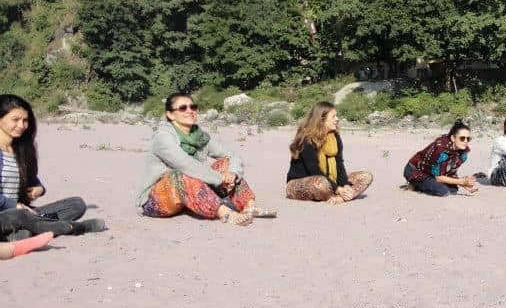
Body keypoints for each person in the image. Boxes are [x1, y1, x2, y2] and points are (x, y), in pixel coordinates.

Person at [138, 92, 275, 225]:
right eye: (183, 108)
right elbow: (185, 164)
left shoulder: (200, 136)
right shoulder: (163, 137)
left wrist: (232, 173)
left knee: (225, 163)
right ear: (170, 114)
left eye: (193, 107)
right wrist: (220, 179)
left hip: (188, 197)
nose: (190, 111)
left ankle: (249, 206)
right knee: (181, 174)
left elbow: (232, 155)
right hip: (157, 200)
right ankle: (225, 213)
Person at [0, 94, 105, 240]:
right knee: (20, 218)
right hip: (8, 216)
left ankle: (29, 230)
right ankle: (75, 227)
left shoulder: (22, 149)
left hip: (25, 213)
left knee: (76, 204)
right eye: (15, 119)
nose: (21, 125)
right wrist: (14, 206)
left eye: (25, 120)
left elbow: (32, 179)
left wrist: (40, 188)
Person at [286, 101, 374, 203]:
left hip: (331, 182)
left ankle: (339, 198)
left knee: (365, 176)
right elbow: (314, 171)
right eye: (333, 116)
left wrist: (344, 185)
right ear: (321, 120)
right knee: (319, 183)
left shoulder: (335, 137)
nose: (337, 119)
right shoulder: (307, 139)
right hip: (302, 183)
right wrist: (338, 189)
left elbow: (339, 165)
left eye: (336, 116)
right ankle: (336, 196)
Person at [404, 120, 478, 196]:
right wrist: (461, 181)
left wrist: (464, 184)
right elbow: (439, 178)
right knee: (443, 191)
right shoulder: (441, 149)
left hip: (433, 172)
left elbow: (450, 171)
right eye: (462, 138)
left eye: (468, 139)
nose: (465, 141)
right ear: (453, 138)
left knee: (453, 190)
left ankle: (426, 184)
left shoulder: (463, 152)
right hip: (416, 170)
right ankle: (414, 184)